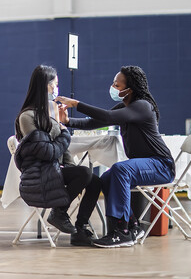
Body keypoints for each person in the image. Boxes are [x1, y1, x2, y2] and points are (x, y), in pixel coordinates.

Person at [56, 65, 175, 248]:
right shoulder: (125, 107)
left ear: (130, 88)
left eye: (117, 85)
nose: (113, 87)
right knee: (107, 178)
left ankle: (122, 231)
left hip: (161, 165)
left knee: (120, 169)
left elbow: (106, 115)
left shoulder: (142, 106)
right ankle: (133, 226)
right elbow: (95, 122)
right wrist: (68, 121)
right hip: (144, 165)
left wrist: (76, 104)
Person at [14, 65, 102, 246]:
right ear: (43, 86)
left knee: (94, 181)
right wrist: (65, 133)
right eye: (54, 84)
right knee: (84, 173)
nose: (56, 89)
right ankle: (59, 212)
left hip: (55, 167)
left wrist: (69, 164)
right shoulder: (26, 116)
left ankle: (80, 229)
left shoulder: (51, 110)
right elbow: (46, 152)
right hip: (40, 172)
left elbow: (62, 148)